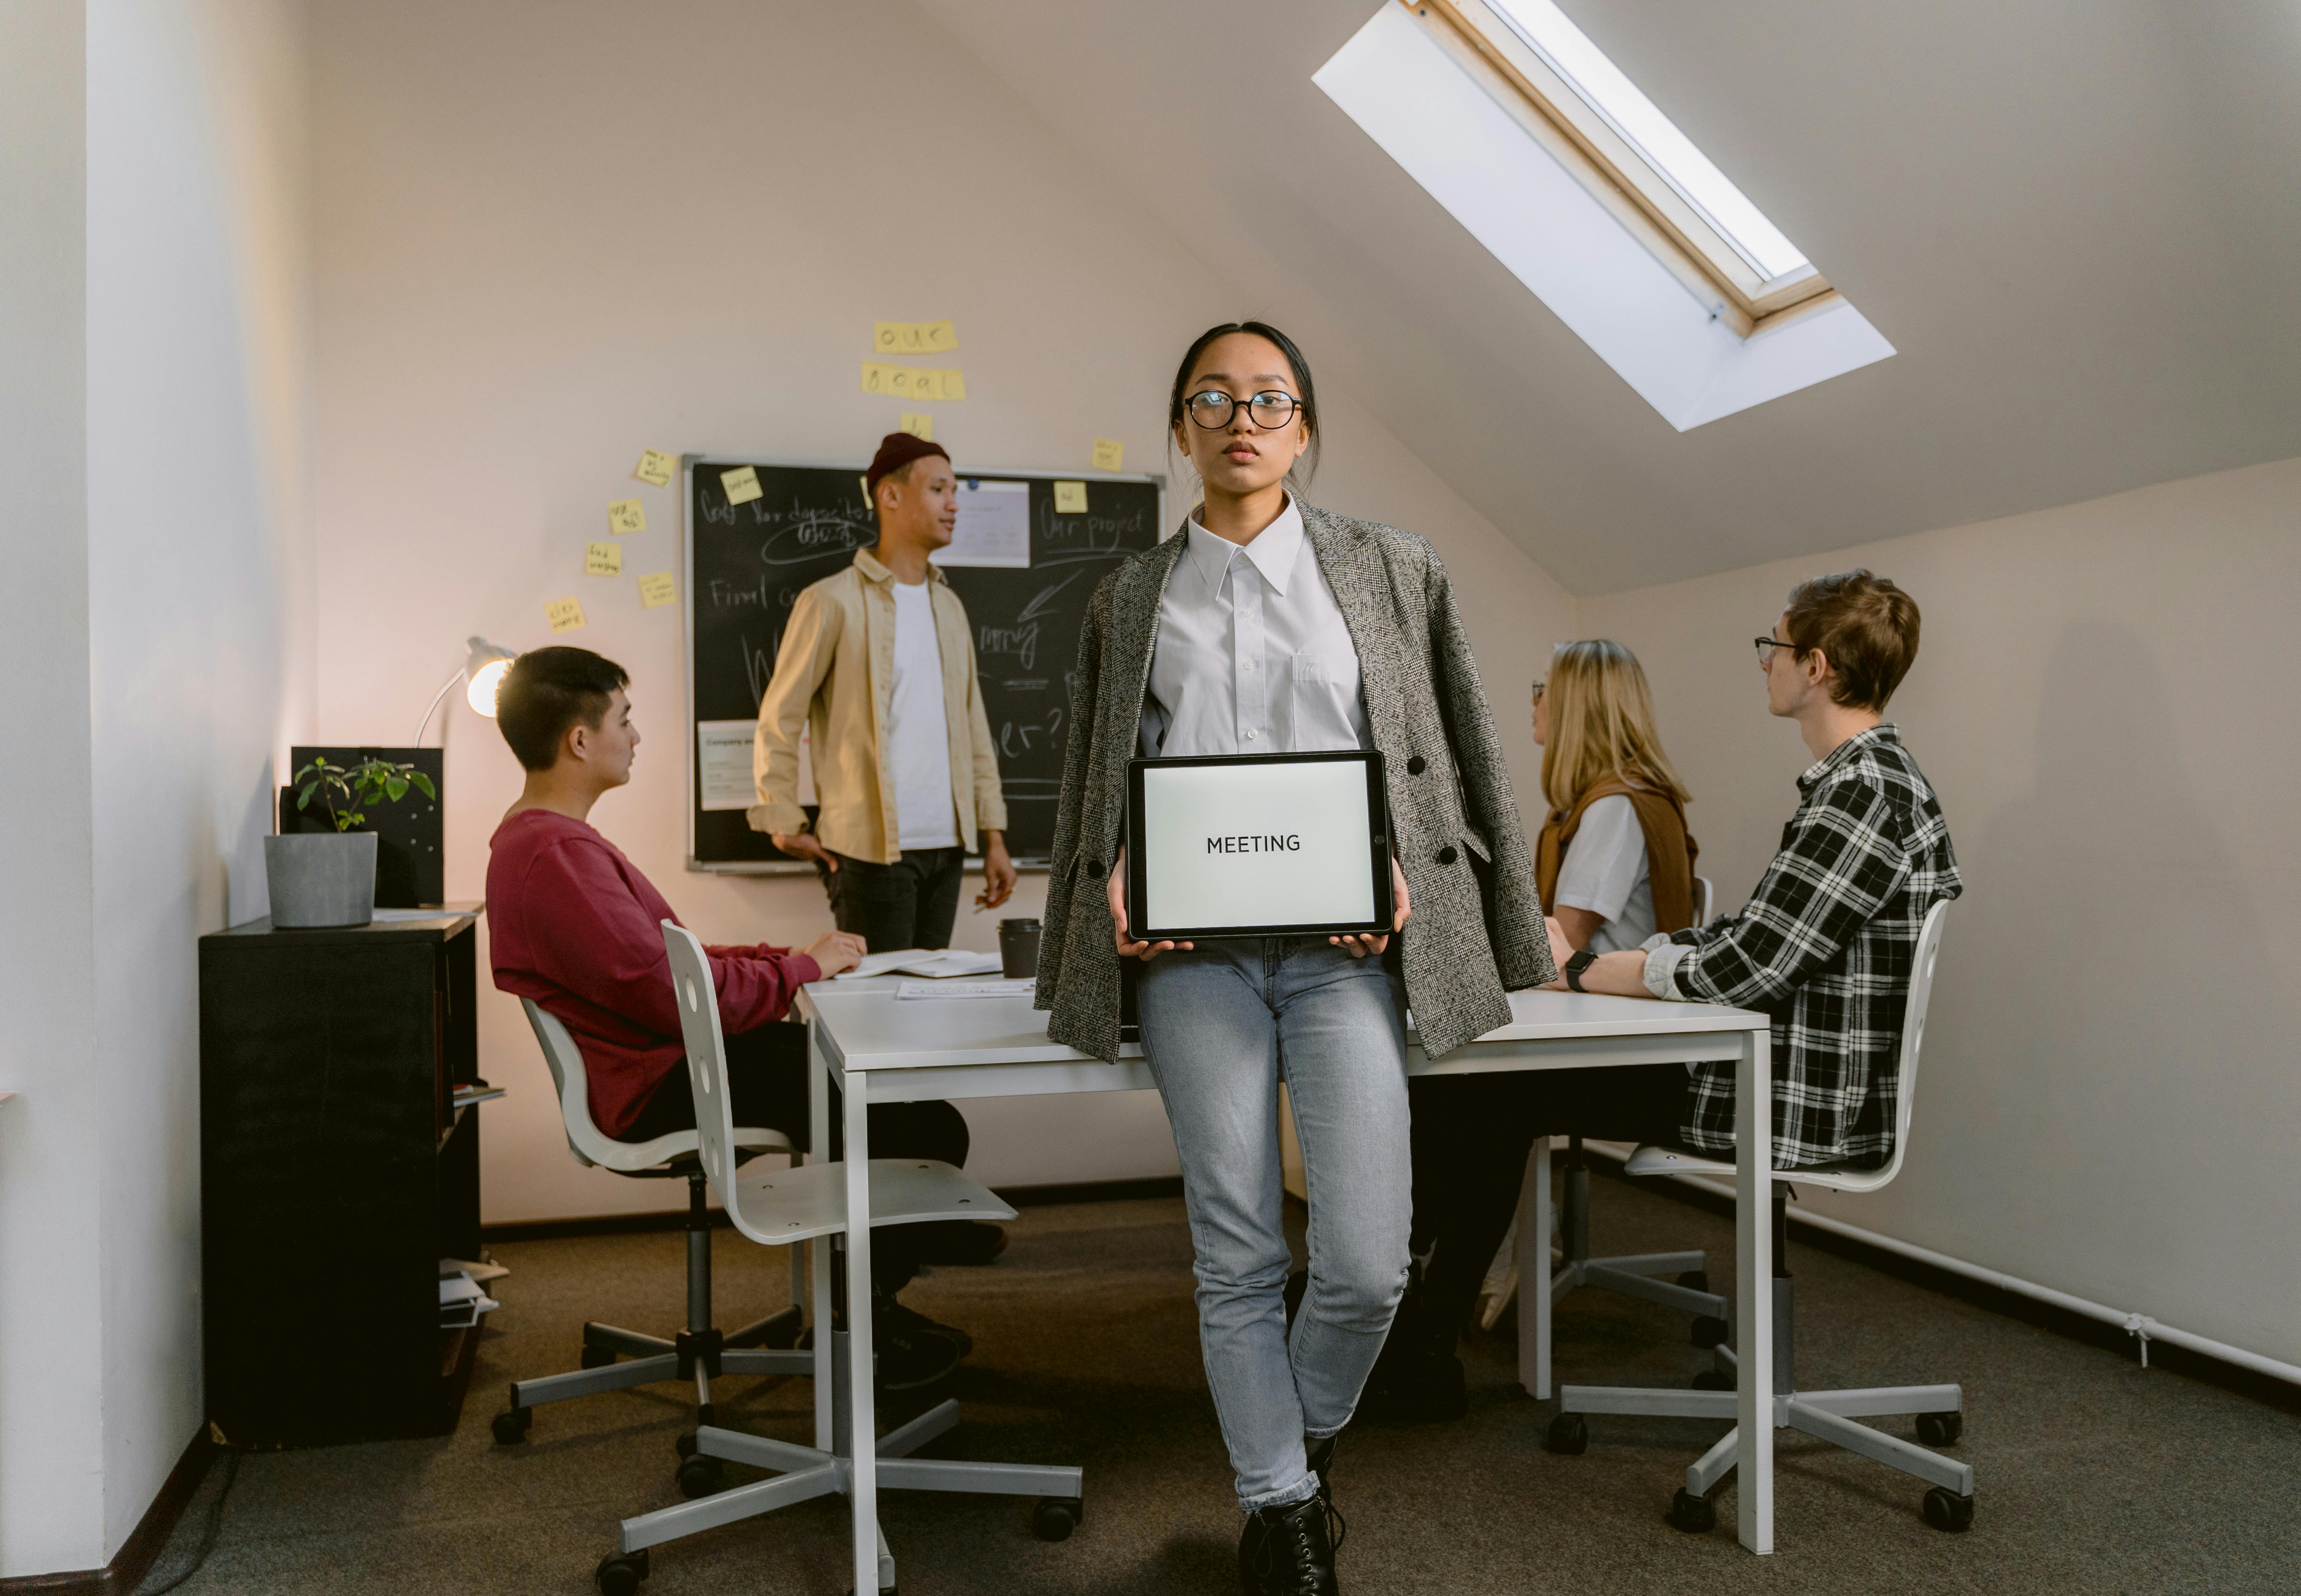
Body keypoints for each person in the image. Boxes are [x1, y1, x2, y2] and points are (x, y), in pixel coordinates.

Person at [1035, 322, 1552, 1594]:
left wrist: (1413, 863)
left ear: (1304, 428)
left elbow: (1451, 751)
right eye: (1211, 398)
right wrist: (1114, 872)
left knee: (1371, 1262)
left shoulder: (1388, 567)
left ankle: (1293, 1447)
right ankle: (1278, 1508)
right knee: (1238, 1249)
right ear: (1180, 429)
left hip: (1343, 952)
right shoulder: (1128, 595)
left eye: (1268, 398)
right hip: (1191, 953)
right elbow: (1109, 779)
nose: (1241, 418)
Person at [484, 646, 979, 1388]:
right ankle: (867, 1326)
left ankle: (873, 1296)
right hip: (664, 1081)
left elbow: (672, 959)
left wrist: (787, 957)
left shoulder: (549, 843)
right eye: (625, 720)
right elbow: (668, 992)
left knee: (898, 1111)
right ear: (579, 741)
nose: (637, 736)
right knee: (920, 1124)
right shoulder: (553, 856)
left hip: (672, 1060)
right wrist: (797, 973)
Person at [1366, 640, 1702, 1419]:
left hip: (1636, 1060)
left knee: (1476, 1100)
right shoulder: (1613, 804)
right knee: (1475, 1099)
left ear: (1578, 707)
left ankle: (1411, 1303)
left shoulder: (1614, 811)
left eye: (1542, 690)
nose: (1532, 704)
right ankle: (1411, 1298)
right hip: (1619, 1038)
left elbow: (1551, 944)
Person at [1569, 568, 1962, 1160]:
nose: (1764, 664)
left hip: (1781, 1102)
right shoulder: (1868, 783)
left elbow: (1748, 970)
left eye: (1774, 646)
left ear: (1815, 666)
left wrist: (1580, 970)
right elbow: (1756, 936)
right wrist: (1636, 959)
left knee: (1490, 1087)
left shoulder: (1862, 795)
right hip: (1786, 1083)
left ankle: (1401, 1256)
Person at [750, 432, 1016, 952]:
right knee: (876, 1018)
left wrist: (994, 836)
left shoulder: (950, 607)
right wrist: (780, 817)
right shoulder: (830, 602)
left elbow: (973, 728)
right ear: (890, 497)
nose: (953, 505)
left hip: (948, 848)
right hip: (870, 851)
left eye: (955, 491)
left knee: (928, 1013)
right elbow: (781, 715)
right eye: (939, 489)